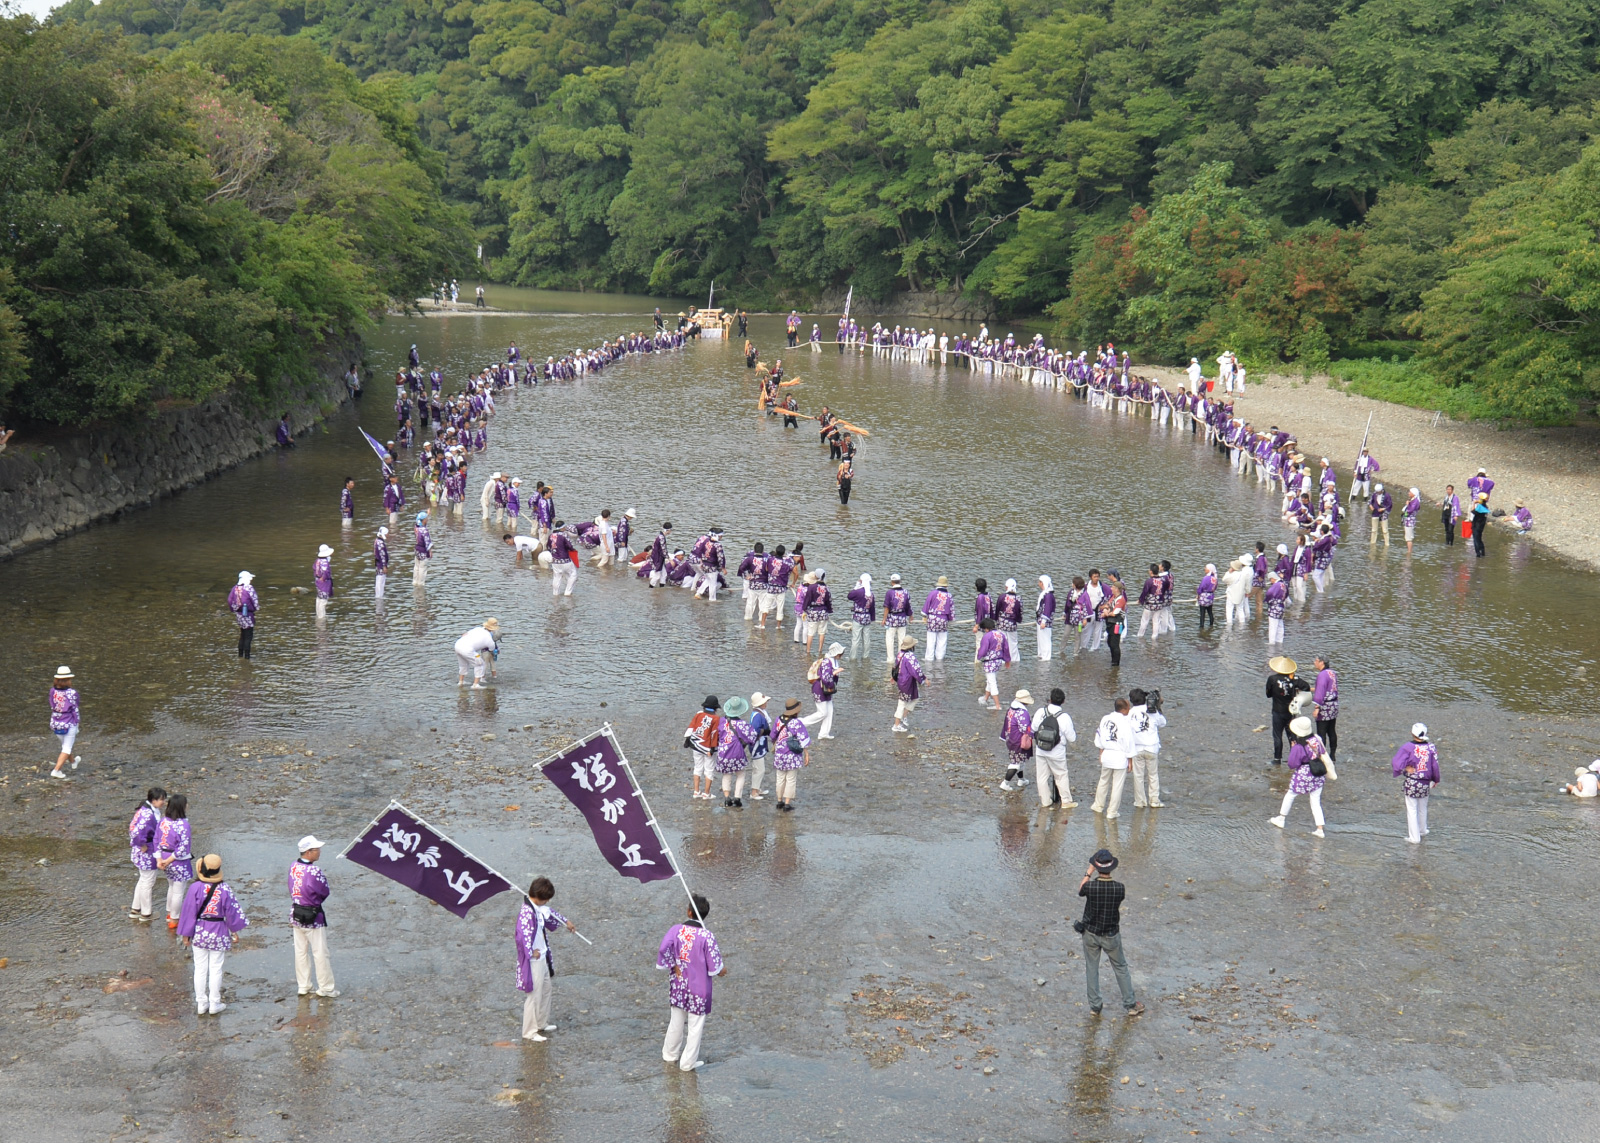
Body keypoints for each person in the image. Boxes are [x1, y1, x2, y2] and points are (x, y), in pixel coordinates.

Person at [658, 895, 727, 1071]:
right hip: (699, 989)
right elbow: (715, 967)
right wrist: (722, 970)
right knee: (695, 1027)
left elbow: (663, 948)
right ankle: (687, 1063)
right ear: (705, 915)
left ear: (689, 911)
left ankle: (669, 1055)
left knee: (676, 1021)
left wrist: (673, 964)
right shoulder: (707, 936)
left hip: (679, 985)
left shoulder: (675, 930)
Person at [178, 854, 250, 1015]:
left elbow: (189, 912)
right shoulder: (225, 889)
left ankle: (201, 1003)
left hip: (200, 931)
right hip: (219, 930)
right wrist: (234, 931)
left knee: (200, 968)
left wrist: (185, 935)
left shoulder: (194, 888)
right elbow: (232, 913)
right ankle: (214, 1003)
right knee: (216, 968)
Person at [1075, 849, 1143, 1017]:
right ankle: (1130, 1005)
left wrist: (1087, 873)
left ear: (1096, 868)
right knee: (1121, 968)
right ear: (1111, 868)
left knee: (1092, 968)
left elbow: (1080, 890)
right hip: (1111, 934)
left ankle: (1095, 1007)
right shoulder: (1119, 889)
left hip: (1090, 933)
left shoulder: (1090, 887)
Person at [517, 876, 576, 1041]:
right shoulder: (526, 912)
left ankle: (541, 1023)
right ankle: (529, 1031)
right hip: (534, 960)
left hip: (542, 955)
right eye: (546, 899)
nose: (547, 901)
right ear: (538, 897)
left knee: (546, 989)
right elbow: (521, 937)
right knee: (533, 995)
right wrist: (530, 952)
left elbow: (551, 913)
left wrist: (566, 922)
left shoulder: (537, 907)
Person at [289, 836, 338, 998]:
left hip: (296, 913)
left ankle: (303, 985)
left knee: (300, 952)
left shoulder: (293, 866)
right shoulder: (314, 871)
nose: (320, 852)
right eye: (317, 849)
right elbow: (324, 890)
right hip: (313, 915)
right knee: (320, 952)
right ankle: (326, 987)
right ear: (309, 852)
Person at [1270, 716, 1330, 837]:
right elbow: (1322, 752)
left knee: (1291, 794)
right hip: (1318, 773)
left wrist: (1293, 749)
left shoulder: (1298, 747)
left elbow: (1292, 764)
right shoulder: (1316, 739)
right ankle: (1320, 829)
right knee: (1315, 802)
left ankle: (1281, 818)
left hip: (1304, 773)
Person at [1392, 724, 1439, 844]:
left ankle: (1414, 838)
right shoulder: (1431, 747)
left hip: (1412, 782)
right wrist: (1436, 779)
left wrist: (1404, 769)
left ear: (1412, 733)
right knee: (1423, 807)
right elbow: (1435, 766)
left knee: (1412, 809)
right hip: (1425, 783)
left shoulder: (1408, 747)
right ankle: (1423, 830)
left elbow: (1396, 762)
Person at [1030, 688, 1077, 807]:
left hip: (1041, 749)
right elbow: (1072, 738)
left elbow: (1034, 728)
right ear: (1063, 701)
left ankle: (1045, 801)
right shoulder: (1064, 717)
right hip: (1057, 752)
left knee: (1041, 777)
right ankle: (1066, 801)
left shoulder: (1041, 711)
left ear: (1050, 699)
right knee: (1061, 775)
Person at [1090, 698, 1135, 819]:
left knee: (1103, 781)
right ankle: (1112, 811)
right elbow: (1129, 742)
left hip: (1107, 754)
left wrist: (1101, 753)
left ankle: (1098, 805)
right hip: (1119, 756)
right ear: (1124, 709)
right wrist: (1130, 760)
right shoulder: (1125, 723)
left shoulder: (1105, 719)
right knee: (1117, 785)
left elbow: (1099, 736)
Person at [128, 787, 167, 921]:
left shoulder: (145, 810)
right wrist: (142, 844)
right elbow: (136, 833)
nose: (163, 802)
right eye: (162, 799)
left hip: (143, 850)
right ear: (154, 800)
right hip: (147, 851)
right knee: (148, 882)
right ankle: (146, 913)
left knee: (143, 879)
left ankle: (136, 909)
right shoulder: (148, 814)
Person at [156, 793, 193, 930]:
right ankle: (175, 918)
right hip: (178, 861)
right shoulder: (183, 825)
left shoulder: (163, 821)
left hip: (164, 856)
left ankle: (169, 913)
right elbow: (183, 847)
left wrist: (160, 859)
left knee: (171, 886)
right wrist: (170, 860)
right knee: (178, 890)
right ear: (182, 807)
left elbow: (156, 840)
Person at [1266, 656, 1311, 766]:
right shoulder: (1294, 679)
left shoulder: (1272, 679)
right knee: (1292, 735)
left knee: (1277, 735)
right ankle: (1294, 756)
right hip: (1290, 711)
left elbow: (1268, 694)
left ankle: (1277, 759)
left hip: (1277, 711)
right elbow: (1307, 687)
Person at [1128, 688, 1167, 808]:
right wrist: (1158, 708)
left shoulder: (1130, 713)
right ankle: (1154, 800)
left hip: (1137, 748)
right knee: (1153, 775)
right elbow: (1163, 723)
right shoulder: (1152, 711)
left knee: (1138, 776)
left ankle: (1140, 801)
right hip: (1152, 747)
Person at [771, 699, 812, 811]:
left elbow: (773, 735)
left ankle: (779, 801)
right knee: (791, 779)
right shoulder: (797, 723)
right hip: (792, 755)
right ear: (796, 711)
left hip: (779, 754)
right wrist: (806, 754)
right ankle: (787, 803)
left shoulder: (778, 719)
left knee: (780, 778)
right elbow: (803, 739)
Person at [715, 697, 756, 807]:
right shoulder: (742, 724)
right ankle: (737, 797)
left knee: (726, 774)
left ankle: (727, 797)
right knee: (741, 774)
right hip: (737, 753)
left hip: (723, 753)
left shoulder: (721, 721)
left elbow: (716, 735)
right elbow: (752, 738)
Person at [684, 697, 722, 801]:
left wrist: (687, 739)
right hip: (707, 748)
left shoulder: (699, 714)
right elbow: (714, 734)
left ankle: (696, 791)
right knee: (709, 770)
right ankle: (706, 794)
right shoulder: (716, 719)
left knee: (697, 767)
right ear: (715, 708)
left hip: (695, 745)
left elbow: (691, 727)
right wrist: (712, 749)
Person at [802, 643, 842, 740]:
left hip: (825, 689)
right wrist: (835, 674)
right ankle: (800, 723)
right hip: (820, 689)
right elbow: (825, 678)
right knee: (822, 713)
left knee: (829, 711)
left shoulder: (831, 661)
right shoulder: (827, 663)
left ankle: (824, 733)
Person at [48, 666, 81, 779]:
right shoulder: (72, 693)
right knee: (66, 748)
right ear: (67, 680)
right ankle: (56, 770)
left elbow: (52, 704)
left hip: (56, 722)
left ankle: (73, 763)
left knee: (65, 745)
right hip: (69, 723)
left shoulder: (52, 691)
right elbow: (75, 708)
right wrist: (77, 722)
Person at [999, 689, 1034, 791]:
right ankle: (1005, 783)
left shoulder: (1011, 709)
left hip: (1010, 739)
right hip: (1018, 741)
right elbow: (1025, 729)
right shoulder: (1022, 713)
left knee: (1019, 760)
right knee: (1016, 763)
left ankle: (1021, 780)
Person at [892, 635, 925, 734]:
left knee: (915, 698)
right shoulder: (910, 656)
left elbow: (896, 666)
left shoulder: (900, 654)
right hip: (907, 682)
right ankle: (896, 725)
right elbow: (916, 670)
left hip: (902, 680)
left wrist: (893, 677)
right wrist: (923, 679)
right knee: (902, 703)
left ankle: (904, 716)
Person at [454, 618, 501, 688]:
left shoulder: (477, 629)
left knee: (463, 665)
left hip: (457, 645)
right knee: (480, 664)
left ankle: (461, 682)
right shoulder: (489, 639)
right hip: (467, 650)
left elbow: (464, 635)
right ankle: (476, 684)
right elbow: (492, 650)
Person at [976, 618, 1007, 711]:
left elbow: (983, 649)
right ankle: (986, 698)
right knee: (990, 681)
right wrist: (1007, 659)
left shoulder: (987, 636)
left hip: (990, 662)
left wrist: (979, 656)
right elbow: (1006, 647)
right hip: (998, 661)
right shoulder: (1001, 634)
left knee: (992, 682)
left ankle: (997, 705)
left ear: (986, 628)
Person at [1311, 655, 1338, 761]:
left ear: (1322, 662)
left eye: (1316, 661)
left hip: (1325, 706)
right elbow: (1328, 688)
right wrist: (1308, 688)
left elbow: (1320, 692)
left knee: (1321, 732)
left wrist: (1317, 707)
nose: (1314, 663)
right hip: (1334, 704)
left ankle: (1322, 756)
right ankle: (1333, 754)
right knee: (1331, 730)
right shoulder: (1332, 673)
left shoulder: (1322, 675)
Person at [921, 576, 954, 661]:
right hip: (943, 619)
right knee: (942, 641)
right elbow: (951, 610)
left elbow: (926, 606)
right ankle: (939, 659)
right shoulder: (949, 595)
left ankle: (929, 659)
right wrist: (950, 619)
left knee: (931, 641)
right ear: (946, 585)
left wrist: (924, 616)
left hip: (932, 619)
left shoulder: (932, 593)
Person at [747, 693, 772, 800]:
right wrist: (764, 731)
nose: (766, 703)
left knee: (758, 768)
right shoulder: (758, 716)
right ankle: (754, 792)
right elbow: (755, 731)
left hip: (760, 744)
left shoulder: (758, 713)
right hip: (757, 745)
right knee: (759, 769)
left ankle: (757, 789)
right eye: (764, 702)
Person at [1099, 573, 1127, 668]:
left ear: (1117, 589)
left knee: (1115, 643)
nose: (1111, 589)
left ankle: (1116, 662)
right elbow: (1108, 605)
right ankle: (1113, 660)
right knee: (1110, 641)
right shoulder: (1113, 597)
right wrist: (1106, 610)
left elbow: (1115, 612)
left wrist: (1106, 613)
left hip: (1117, 624)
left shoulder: (1121, 599)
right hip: (1110, 623)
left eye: (1113, 587)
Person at [1035, 575, 1056, 660]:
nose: (1038, 584)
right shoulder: (1045, 593)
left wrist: (1043, 621)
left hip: (1045, 620)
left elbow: (1047, 608)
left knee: (1045, 639)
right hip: (1040, 619)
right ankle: (1041, 654)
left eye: (1040, 582)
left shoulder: (1048, 596)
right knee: (1041, 638)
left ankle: (1046, 656)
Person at [313, 544, 334, 620]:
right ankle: (321, 618)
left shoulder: (317, 560)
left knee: (319, 598)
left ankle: (318, 615)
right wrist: (324, 578)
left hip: (318, 581)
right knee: (323, 601)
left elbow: (314, 569)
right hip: (324, 583)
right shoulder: (325, 562)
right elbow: (325, 571)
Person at [413, 512, 433, 586]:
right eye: (426, 519)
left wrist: (427, 513)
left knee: (416, 567)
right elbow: (427, 542)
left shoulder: (416, 528)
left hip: (417, 550)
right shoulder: (425, 531)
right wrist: (430, 551)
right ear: (424, 520)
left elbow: (419, 524)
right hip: (423, 551)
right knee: (422, 568)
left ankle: (415, 582)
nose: (427, 520)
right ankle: (420, 584)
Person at [1196, 564, 1216, 630]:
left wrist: (1198, 594)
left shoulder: (1206, 578)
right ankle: (1211, 625)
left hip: (1204, 597)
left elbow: (1201, 587)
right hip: (1210, 596)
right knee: (1210, 612)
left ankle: (1201, 626)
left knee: (1202, 613)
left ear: (1209, 570)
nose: (1205, 569)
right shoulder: (1215, 578)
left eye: (1206, 568)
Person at [1470, 492, 1490, 557]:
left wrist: (1473, 503)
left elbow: (1473, 511)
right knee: (1479, 538)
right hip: (1481, 525)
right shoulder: (1485, 507)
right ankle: (1483, 552)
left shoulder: (1479, 507)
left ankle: (1478, 554)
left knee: (1475, 539)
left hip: (1476, 525)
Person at [373, 528, 390, 598]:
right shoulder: (381, 544)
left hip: (378, 564)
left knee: (379, 581)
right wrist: (384, 566)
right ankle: (379, 597)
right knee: (380, 582)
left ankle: (379, 596)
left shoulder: (377, 541)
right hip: (380, 565)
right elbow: (382, 555)